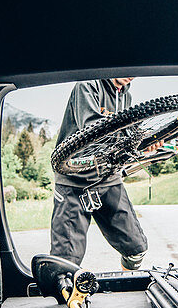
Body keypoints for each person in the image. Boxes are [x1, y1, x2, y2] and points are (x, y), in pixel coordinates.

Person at [50, 77, 149, 270]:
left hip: (108, 178)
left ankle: (126, 281)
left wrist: (145, 141)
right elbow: (93, 128)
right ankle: (67, 294)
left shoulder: (126, 96)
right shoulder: (87, 85)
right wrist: (137, 135)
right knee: (66, 261)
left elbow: (124, 138)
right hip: (74, 181)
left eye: (135, 70)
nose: (131, 74)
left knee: (136, 249)